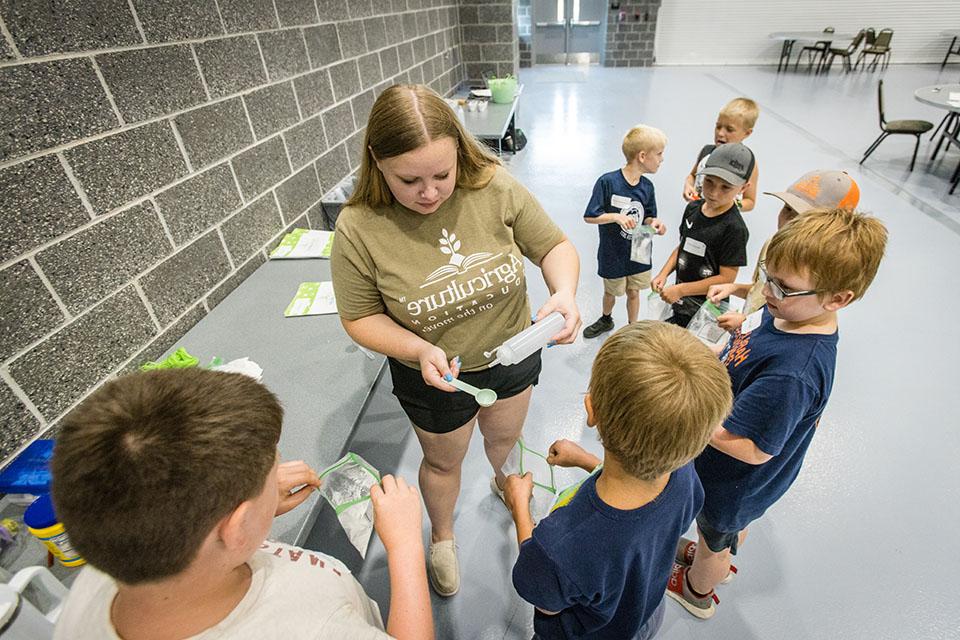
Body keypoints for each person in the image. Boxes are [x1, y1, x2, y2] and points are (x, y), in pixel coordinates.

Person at [330, 84, 581, 597]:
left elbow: (554, 245)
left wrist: (565, 292)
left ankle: (505, 481)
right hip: (434, 376)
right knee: (444, 461)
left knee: (503, 438)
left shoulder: (493, 187)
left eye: (442, 175)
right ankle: (442, 536)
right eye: (409, 180)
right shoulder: (359, 228)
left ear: (459, 153)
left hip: (512, 352)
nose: (429, 193)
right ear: (377, 161)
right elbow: (358, 317)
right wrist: (418, 348)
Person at [51, 368, 433, 640]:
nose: (279, 471)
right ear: (235, 527)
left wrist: (260, 508)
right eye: (272, 471)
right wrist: (405, 548)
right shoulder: (320, 629)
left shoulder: (109, 563)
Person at [667, 208, 888, 619]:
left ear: (837, 299)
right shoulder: (787, 312)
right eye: (768, 274)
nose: (766, 291)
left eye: (782, 286)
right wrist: (721, 348)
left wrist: (689, 417)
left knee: (715, 533)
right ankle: (719, 548)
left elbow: (754, 449)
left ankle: (698, 587)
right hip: (729, 474)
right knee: (723, 531)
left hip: (733, 482)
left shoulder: (794, 373)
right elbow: (749, 343)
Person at [501, 322, 733, 639]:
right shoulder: (685, 477)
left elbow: (547, 603)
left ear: (591, 410)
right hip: (644, 615)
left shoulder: (556, 548)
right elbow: (638, 507)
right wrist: (586, 461)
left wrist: (520, 510)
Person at [708, 170, 860, 331]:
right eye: (787, 209)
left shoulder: (814, 277)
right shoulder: (773, 243)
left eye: (802, 217)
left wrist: (746, 324)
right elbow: (761, 290)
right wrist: (735, 288)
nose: (788, 221)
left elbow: (789, 324)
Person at [651, 143, 753, 328]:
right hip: (679, 301)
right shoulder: (692, 209)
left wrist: (681, 290)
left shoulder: (734, 228)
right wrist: (664, 274)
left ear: (743, 187)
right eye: (709, 182)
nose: (714, 193)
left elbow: (726, 278)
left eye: (725, 187)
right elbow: (682, 246)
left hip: (705, 309)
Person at [581, 125, 669, 339]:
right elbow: (590, 215)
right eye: (659, 154)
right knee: (611, 291)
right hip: (614, 251)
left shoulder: (647, 187)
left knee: (634, 291)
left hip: (639, 249)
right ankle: (606, 318)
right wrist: (615, 217)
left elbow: (648, 216)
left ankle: (632, 327)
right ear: (642, 156)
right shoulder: (608, 182)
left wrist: (655, 223)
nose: (662, 159)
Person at [682, 97, 760, 212]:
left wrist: (729, 204)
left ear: (747, 133)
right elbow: (692, 175)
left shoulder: (748, 164)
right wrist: (688, 186)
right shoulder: (707, 151)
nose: (720, 133)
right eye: (718, 126)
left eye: (729, 129)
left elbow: (750, 201)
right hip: (697, 213)